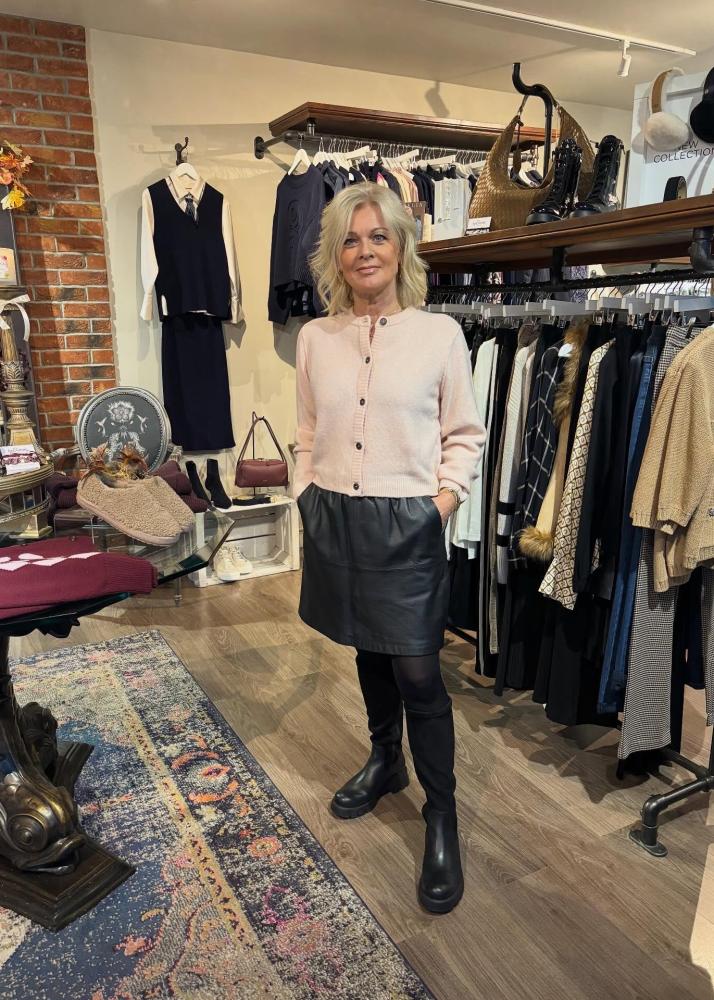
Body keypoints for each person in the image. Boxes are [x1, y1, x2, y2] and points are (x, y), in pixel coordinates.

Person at [293, 182, 485, 914]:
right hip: (335, 516)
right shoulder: (316, 339)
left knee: (418, 671)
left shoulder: (439, 335)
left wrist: (440, 504)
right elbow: (307, 430)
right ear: (335, 256)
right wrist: (305, 492)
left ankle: (441, 813)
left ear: (401, 247)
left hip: (408, 522)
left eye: (378, 236)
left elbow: (464, 433)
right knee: (366, 648)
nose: (364, 250)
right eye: (350, 239)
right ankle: (385, 760)